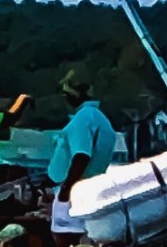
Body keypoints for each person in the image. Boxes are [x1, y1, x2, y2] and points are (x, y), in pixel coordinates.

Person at [47, 69, 120, 233]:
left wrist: (65, 191)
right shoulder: (99, 117)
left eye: (67, 93)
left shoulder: (83, 118)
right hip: (89, 187)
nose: (65, 98)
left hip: (74, 190)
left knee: (66, 241)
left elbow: (81, 156)